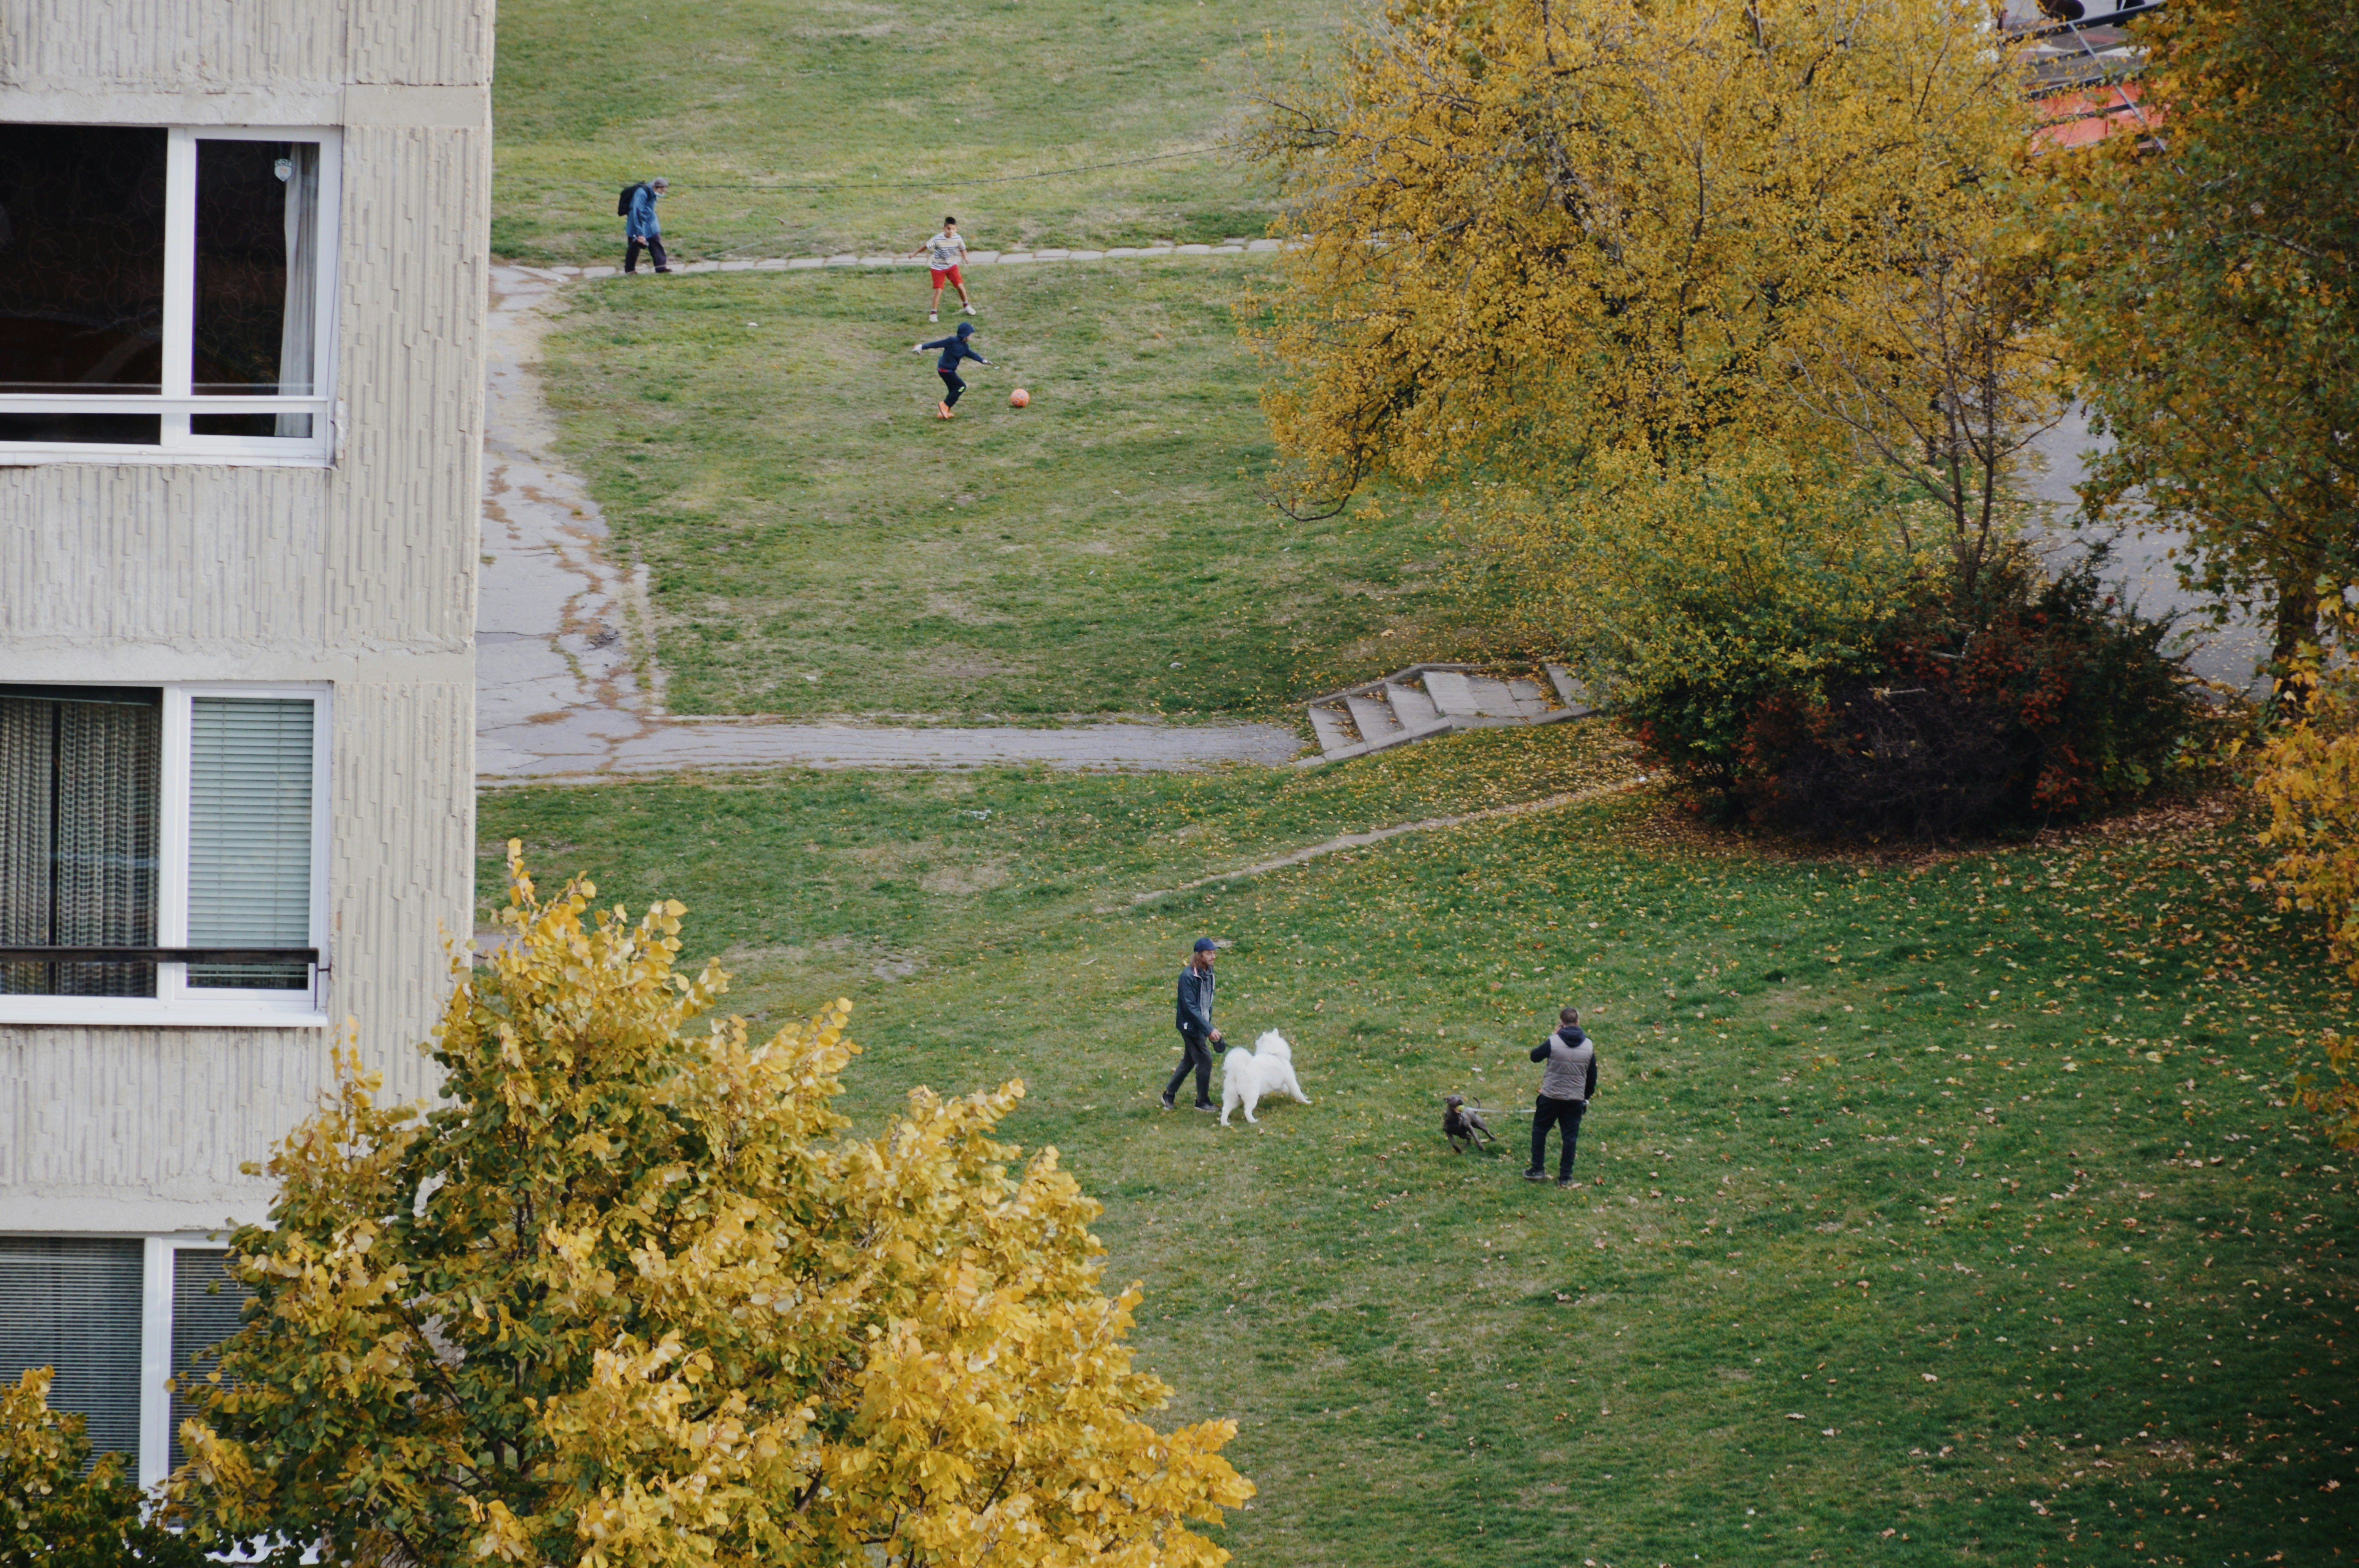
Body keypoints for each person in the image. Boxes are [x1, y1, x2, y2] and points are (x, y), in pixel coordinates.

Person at [1526, 1006, 1597, 1184]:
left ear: (1562, 1023)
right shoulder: (1589, 1046)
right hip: (1575, 1099)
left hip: (1551, 1096)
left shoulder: (1554, 1041)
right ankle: (1565, 1177)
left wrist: (1554, 1036)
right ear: (1578, 1022)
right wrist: (1585, 1097)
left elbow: (1535, 1056)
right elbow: (1592, 1076)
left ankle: (1538, 1169)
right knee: (1570, 1137)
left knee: (1540, 1131)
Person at [1162, 937, 1223, 1112]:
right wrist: (1209, 1029)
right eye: (1209, 954)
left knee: (1189, 1060)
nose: (1213, 957)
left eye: (1214, 953)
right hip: (1191, 1026)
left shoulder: (1209, 972)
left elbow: (1206, 1001)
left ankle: (1169, 1094)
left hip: (1201, 1023)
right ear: (1199, 955)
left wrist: (1208, 1023)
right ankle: (1202, 1101)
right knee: (1205, 1059)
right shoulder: (1188, 977)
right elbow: (1190, 1008)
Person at [911, 321, 990, 419]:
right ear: (965, 334)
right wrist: (922, 347)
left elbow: (970, 354)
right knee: (961, 387)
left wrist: (982, 360)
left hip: (949, 371)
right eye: (971, 334)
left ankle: (945, 412)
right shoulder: (952, 341)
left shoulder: (964, 346)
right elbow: (937, 344)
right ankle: (945, 405)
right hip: (945, 370)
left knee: (954, 390)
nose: (971, 336)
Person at [908, 216, 973, 323]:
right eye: (949, 229)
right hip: (938, 267)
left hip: (952, 266)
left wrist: (966, 257)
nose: (951, 232)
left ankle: (966, 306)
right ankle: (934, 313)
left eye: (953, 229)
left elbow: (963, 249)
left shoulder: (958, 238)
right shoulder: (937, 239)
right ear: (944, 229)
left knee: (960, 286)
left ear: (956, 229)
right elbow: (926, 246)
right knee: (938, 289)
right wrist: (914, 254)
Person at [624, 177, 671, 275]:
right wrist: (641, 234)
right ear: (655, 187)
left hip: (650, 222)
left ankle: (661, 267)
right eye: (661, 190)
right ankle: (630, 270)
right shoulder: (641, 193)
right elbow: (637, 213)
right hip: (637, 222)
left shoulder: (653, 191)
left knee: (656, 242)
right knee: (635, 246)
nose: (663, 193)